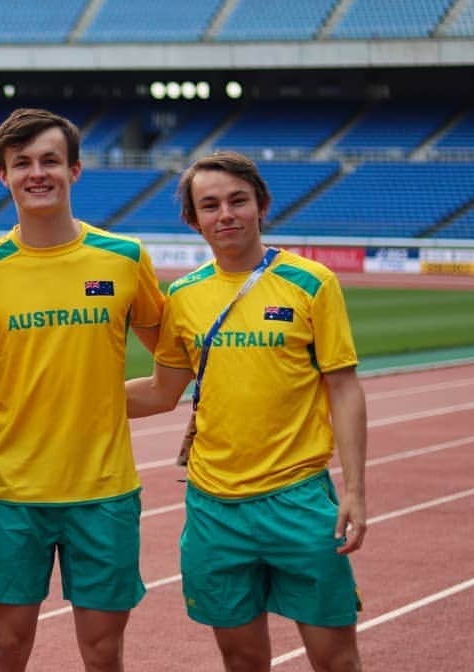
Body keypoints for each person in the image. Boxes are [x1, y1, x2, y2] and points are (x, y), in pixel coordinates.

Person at [126, 151, 368, 672]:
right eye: (209, 205)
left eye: (238, 200)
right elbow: (161, 392)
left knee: (336, 660)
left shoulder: (311, 283)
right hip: (214, 508)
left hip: (299, 501)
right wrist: (68, 395)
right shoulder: (185, 296)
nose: (226, 214)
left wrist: (354, 490)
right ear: (194, 220)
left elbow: (344, 389)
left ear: (261, 205)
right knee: (241, 660)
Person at [0, 109, 164, 672]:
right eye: (21, 163)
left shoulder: (123, 258)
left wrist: (189, 405)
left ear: (75, 169)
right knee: (8, 650)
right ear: (4, 176)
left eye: (49, 160)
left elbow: (177, 354)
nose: (36, 173)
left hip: (104, 493)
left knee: (102, 653)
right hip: (12, 494)